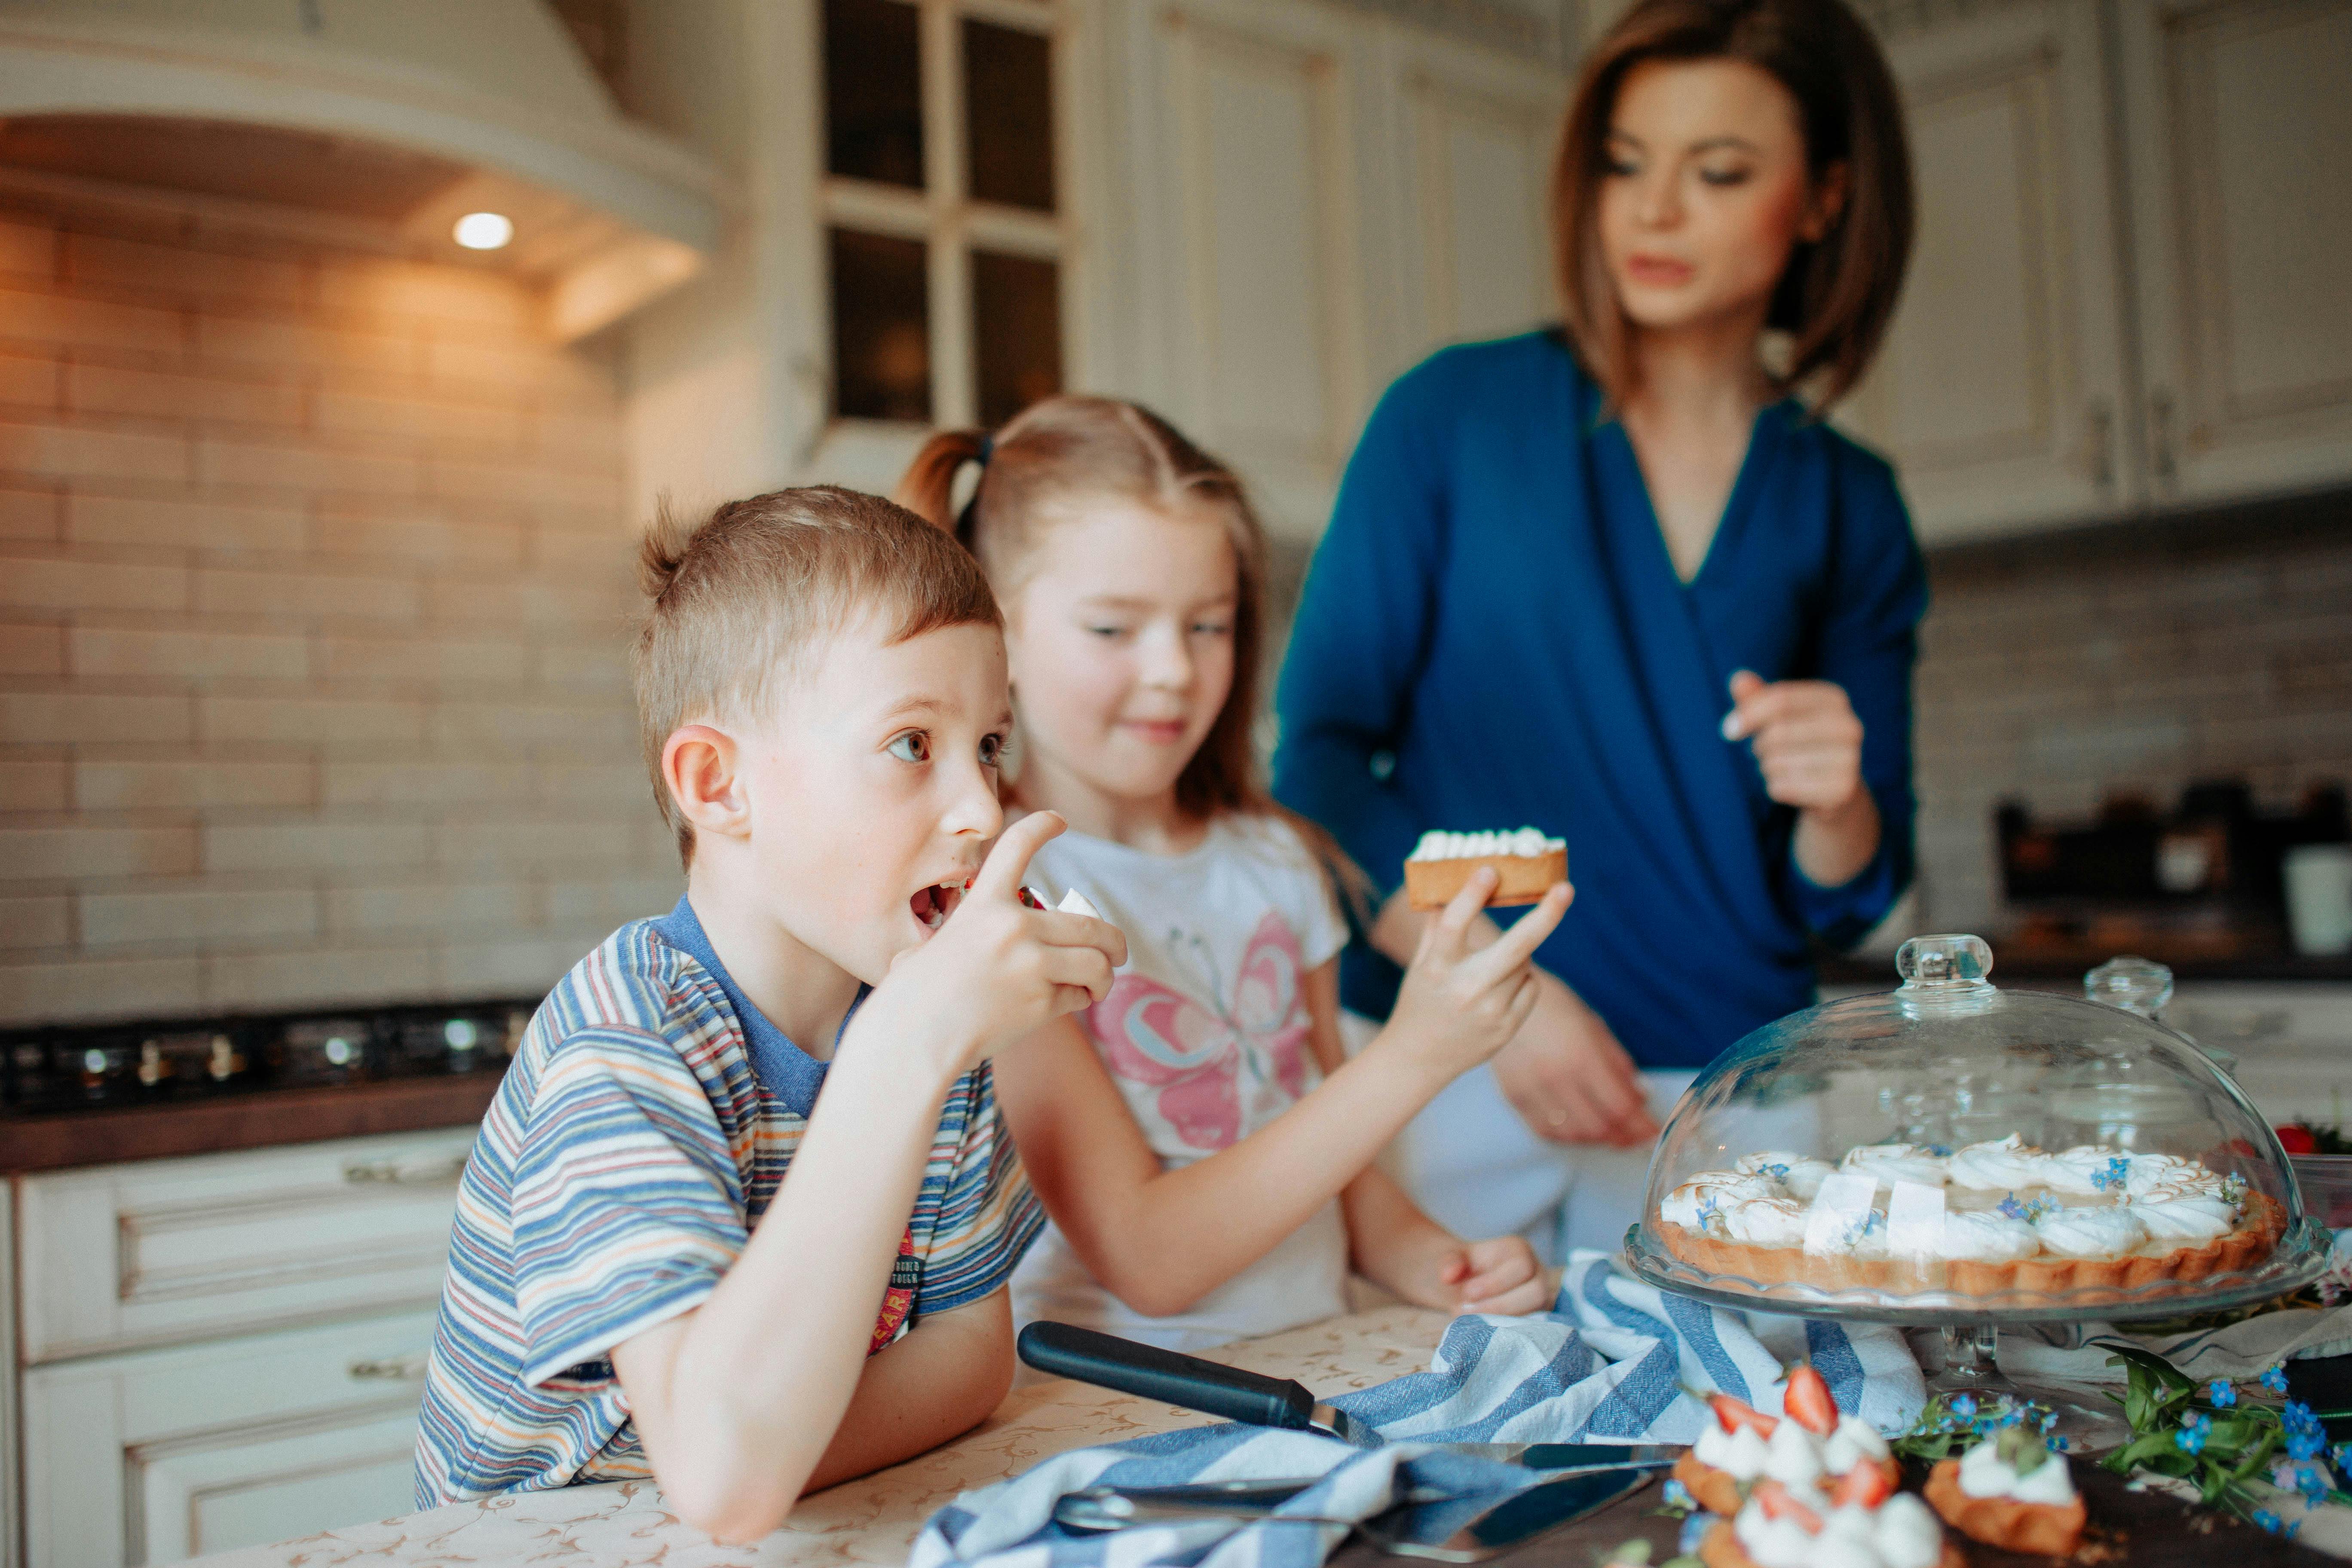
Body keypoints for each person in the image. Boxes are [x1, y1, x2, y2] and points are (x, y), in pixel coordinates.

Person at [1273, 0, 1926, 1262]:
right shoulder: (1449, 418)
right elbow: (1320, 766)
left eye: (1719, 171)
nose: (1654, 210)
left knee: (1752, 1449)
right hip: (1455, 1068)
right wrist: (1505, 1001)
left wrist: (1837, 804)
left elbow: (1852, 896)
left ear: (1826, 198)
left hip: (1731, 1094)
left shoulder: (1849, 502)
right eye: (1627, 164)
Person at [410, 488, 1127, 1540]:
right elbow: (723, 1482)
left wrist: (770, 1438)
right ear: (718, 785)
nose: (983, 808)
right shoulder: (626, 1041)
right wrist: (746, 1450)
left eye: (988, 746)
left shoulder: (921, 1032)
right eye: (910, 746)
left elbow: (974, 1362)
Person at [894, 398, 1572, 1352]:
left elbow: (1334, 1147)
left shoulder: (1275, 861)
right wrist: (1416, 1053)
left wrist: (1434, 1261)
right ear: (994, 632)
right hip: (1112, 1407)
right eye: (1113, 629)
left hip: (1314, 1361)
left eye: (1207, 626)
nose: (1174, 670)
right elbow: (1147, 1258)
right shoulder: (992, 899)